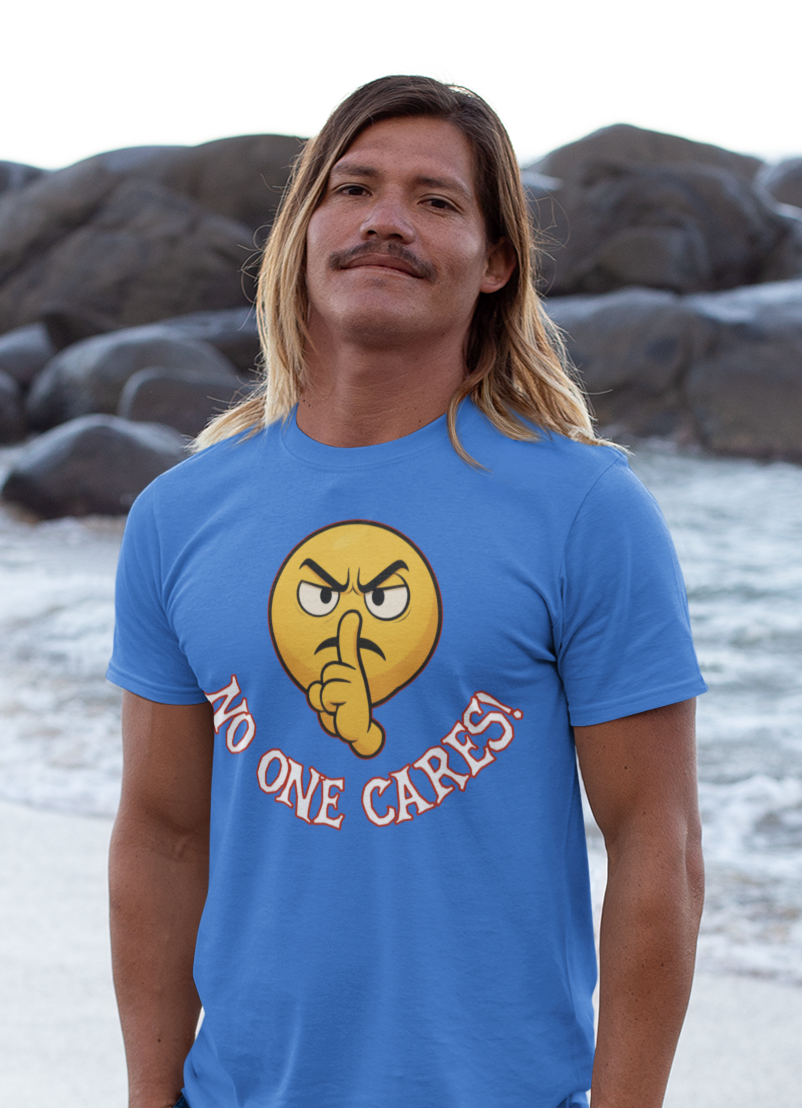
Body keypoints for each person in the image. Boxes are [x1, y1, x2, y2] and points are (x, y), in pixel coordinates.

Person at [108, 75, 706, 1108]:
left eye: (435, 200)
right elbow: (162, 832)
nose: (386, 220)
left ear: (496, 262)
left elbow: (659, 844)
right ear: (303, 231)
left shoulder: (584, 509)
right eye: (353, 188)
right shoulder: (178, 514)